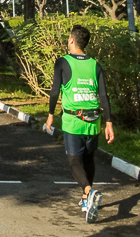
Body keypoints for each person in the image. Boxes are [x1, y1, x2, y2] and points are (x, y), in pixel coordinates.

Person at [44, 25, 115, 224]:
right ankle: (86, 200)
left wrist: (50, 115)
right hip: (94, 121)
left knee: (74, 162)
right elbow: (103, 95)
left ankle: (88, 191)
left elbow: (54, 92)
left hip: (73, 120)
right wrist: (109, 122)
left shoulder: (62, 62)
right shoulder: (95, 64)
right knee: (89, 159)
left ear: (71, 40)